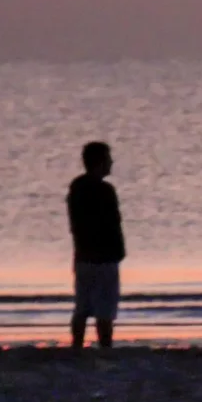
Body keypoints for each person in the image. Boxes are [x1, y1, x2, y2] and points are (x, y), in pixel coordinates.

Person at [67, 141, 126, 350]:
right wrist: (119, 251)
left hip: (84, 255)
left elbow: (75, 224)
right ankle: (105, 346)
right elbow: (113, 223)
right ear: (100, 162)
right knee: (104, 309)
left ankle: (77, 346)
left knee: (82, 305)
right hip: (104, 257)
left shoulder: (77, 187)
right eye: (108, 158)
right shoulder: (105, 190)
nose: (111, 162)